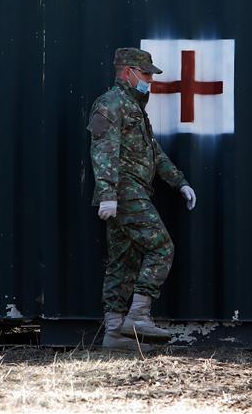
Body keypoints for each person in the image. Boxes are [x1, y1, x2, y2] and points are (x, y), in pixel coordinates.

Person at [88, 47, 197, 351]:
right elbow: (103, 151)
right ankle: (138, 316)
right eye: (146, 74)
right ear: (128, 72)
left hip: (131, 191)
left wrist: (179, 182)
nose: (150, 79)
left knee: (122, 261)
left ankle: (115, 333)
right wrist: (109, 195)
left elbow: (153, 153)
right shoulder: (111, 104)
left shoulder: (133, 106)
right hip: (125, 191)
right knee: (161, 246)